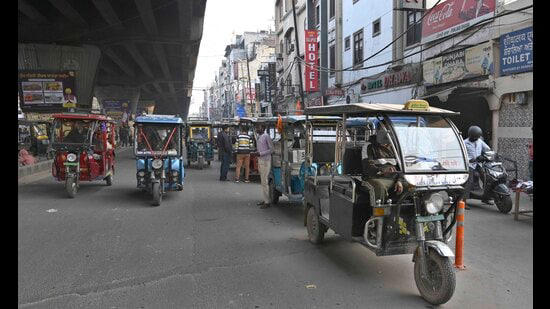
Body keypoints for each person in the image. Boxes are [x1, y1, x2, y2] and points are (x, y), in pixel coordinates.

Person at [361, 125, 403, 204]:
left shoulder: (395, 147)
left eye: (389, 130)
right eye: (385, 130)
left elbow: (402, 167)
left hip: (394, 178)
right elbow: (368, 167)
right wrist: (382, 170)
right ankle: (378, 214)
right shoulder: (369, 146)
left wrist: (399, 180)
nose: (388, 133)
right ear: (378, 131)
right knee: (379, 187)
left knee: (412, 186)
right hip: (373, 178)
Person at [463, 125, 492, 207]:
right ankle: (464, 201)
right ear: (471, 135)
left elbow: (487, 149)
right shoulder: (465, 143)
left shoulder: (480, 141)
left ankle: (485, 197)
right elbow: (463, 155)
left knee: (486, 178)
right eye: (475, 137)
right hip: (470, 164)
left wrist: (486, 155)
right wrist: (471, 159)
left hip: (478, 163)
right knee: (469, 181)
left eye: (477, 137)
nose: (476, 139)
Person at [253, 125, 273, 209]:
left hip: (265, 161)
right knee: (262, 181)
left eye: (258, 128)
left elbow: (271, 150)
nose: (257, 129)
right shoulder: (259, 137)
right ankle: (265, 199)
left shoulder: (266, 136)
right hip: (261, 160)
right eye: (257, 128)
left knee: (264, 181)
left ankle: (267, 202)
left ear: (263, 129)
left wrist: (260, 153)